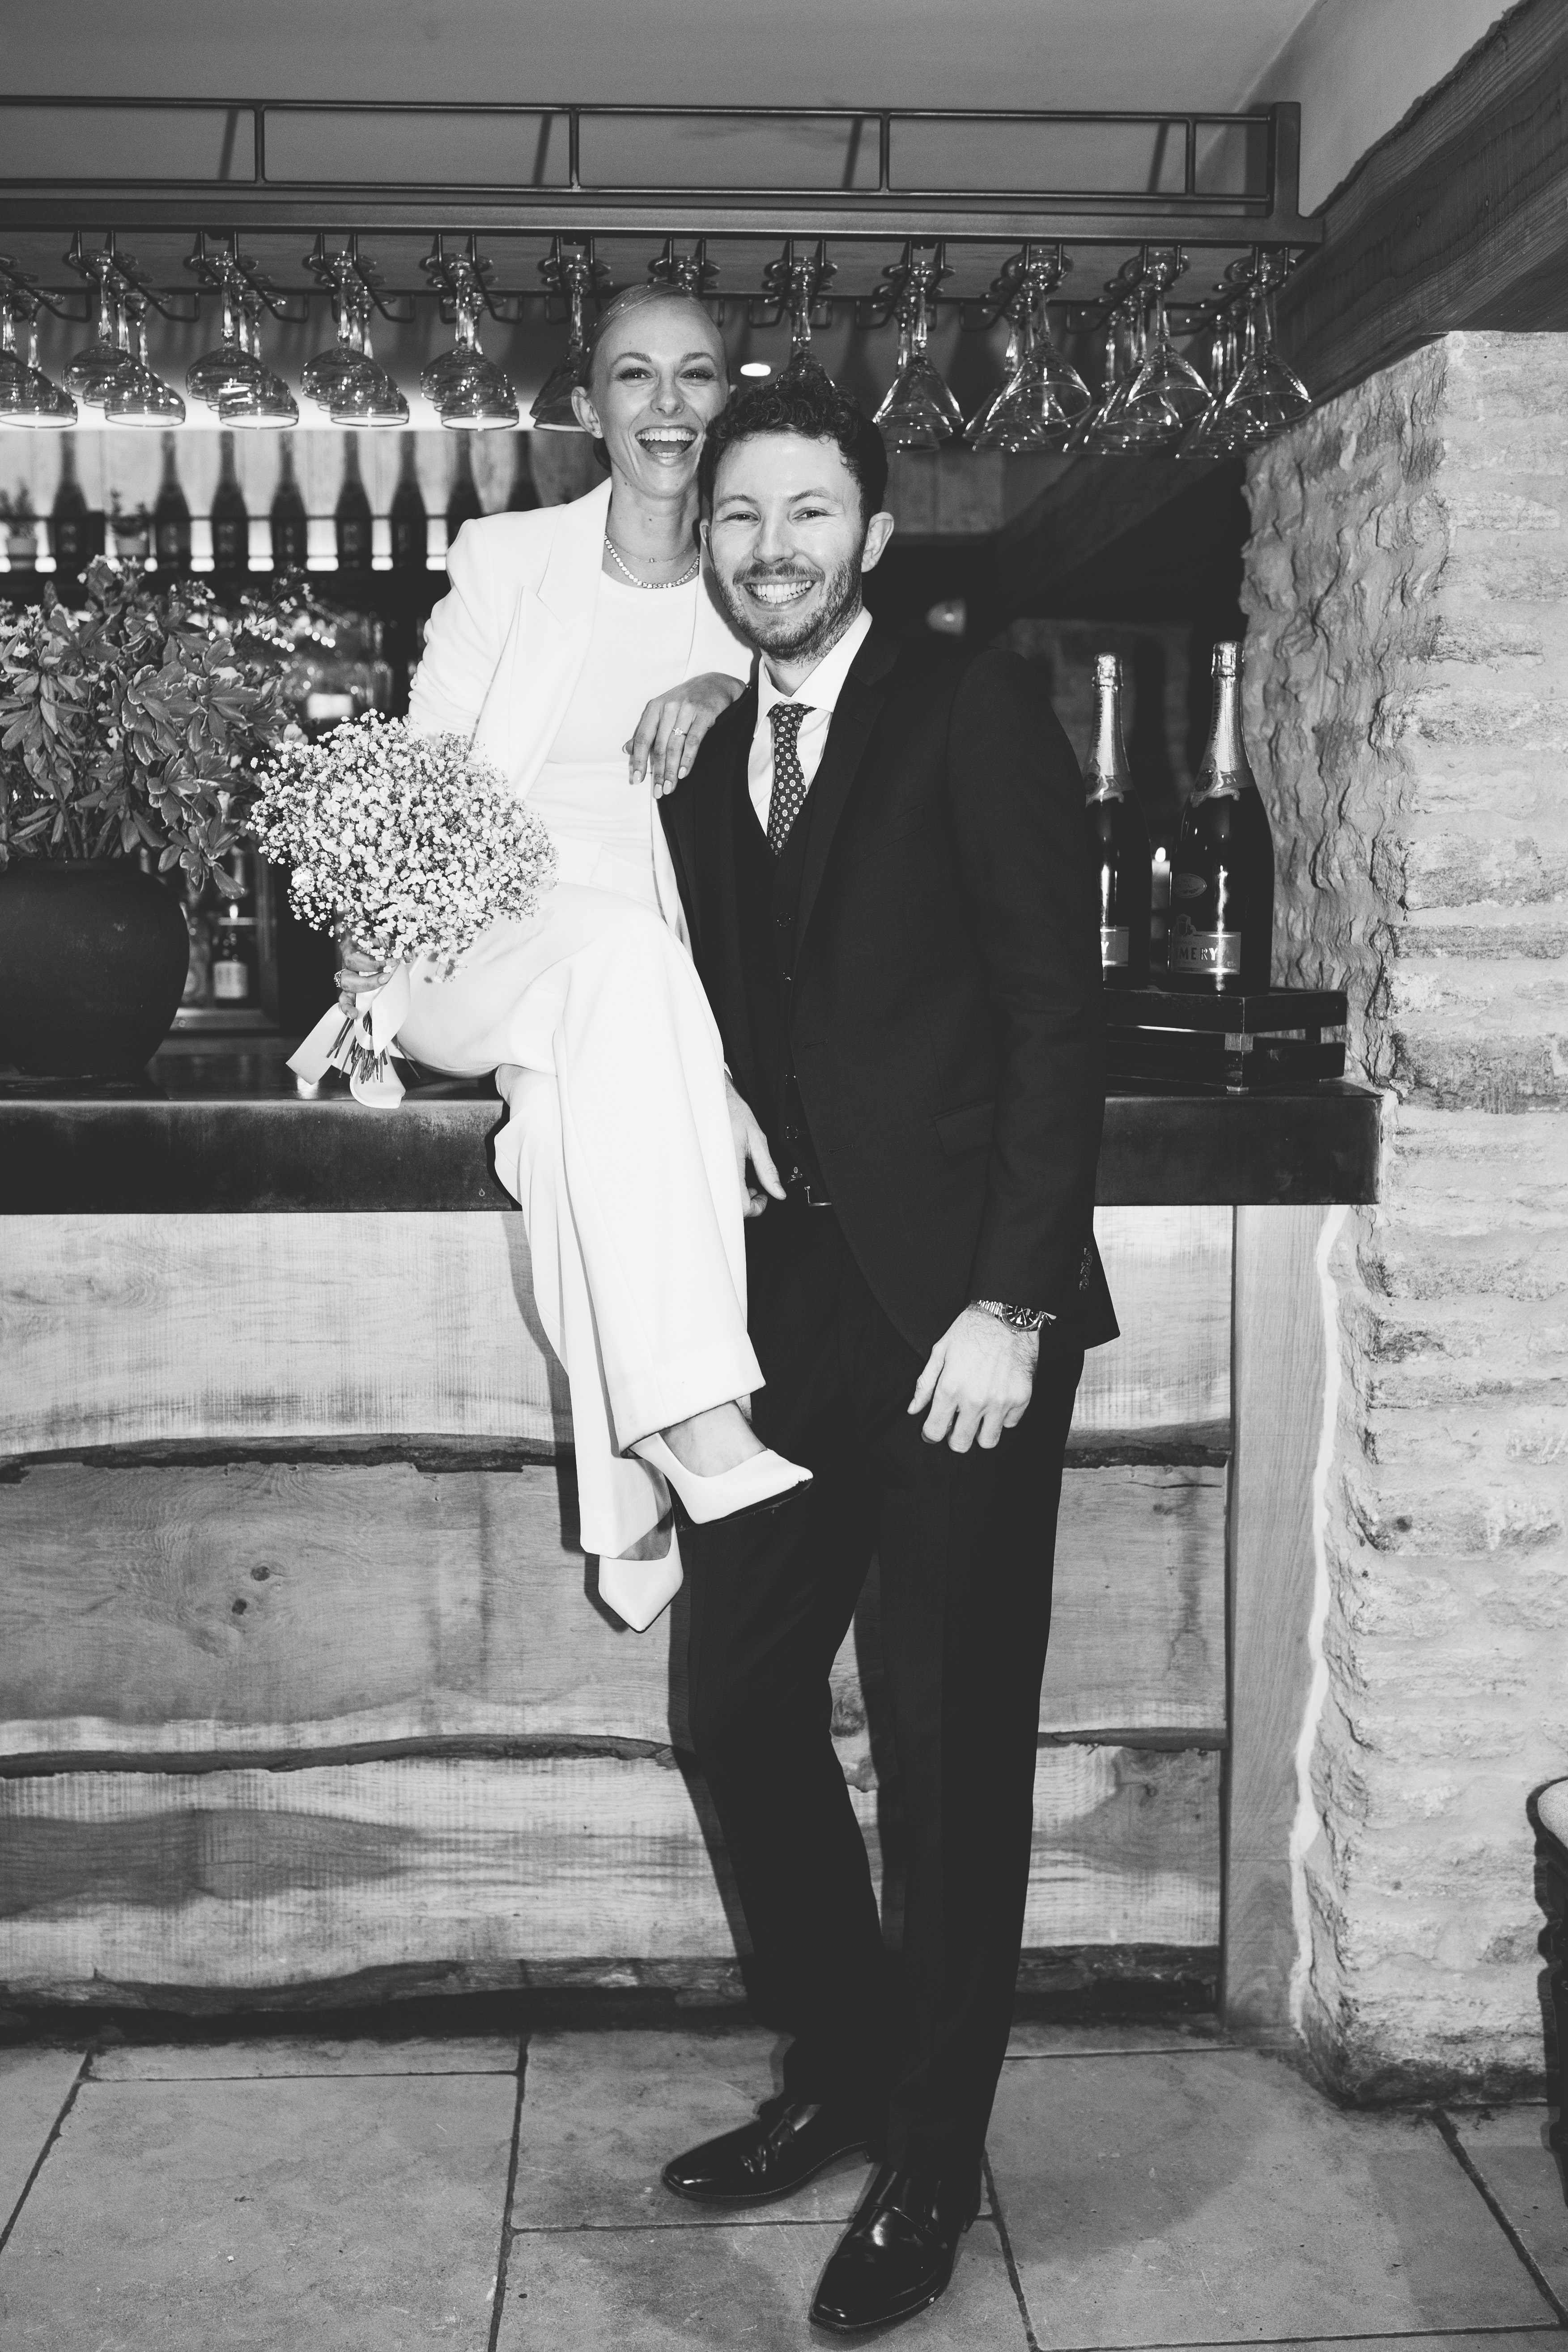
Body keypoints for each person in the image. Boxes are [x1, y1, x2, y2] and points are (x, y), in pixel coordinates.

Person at [655, 370, 1119, 2335]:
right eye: (741, 515)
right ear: (714, 539)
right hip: (778, 1313)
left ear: (872, 532)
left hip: (959, 1324)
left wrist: (1012, 1304)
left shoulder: (967, 708)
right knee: (739, 1709)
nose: (772, 546)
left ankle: (933, 2156)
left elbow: (1054, 1017)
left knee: (944, 1761)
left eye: (807, 513)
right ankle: (847, 2069)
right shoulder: (694, 753)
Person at [391, 286, 811, 1630]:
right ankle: (694, 1406)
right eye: (637, 376)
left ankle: (638, 1510)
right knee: (620, 957)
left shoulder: (757, 592)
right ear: (591, 409)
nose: (669, 404)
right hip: (478, 938)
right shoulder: (510, 560)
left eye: (696, 375)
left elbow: (831, 762)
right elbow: (423, 781)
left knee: (571, 1122)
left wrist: (738, 691)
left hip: (641, 987)